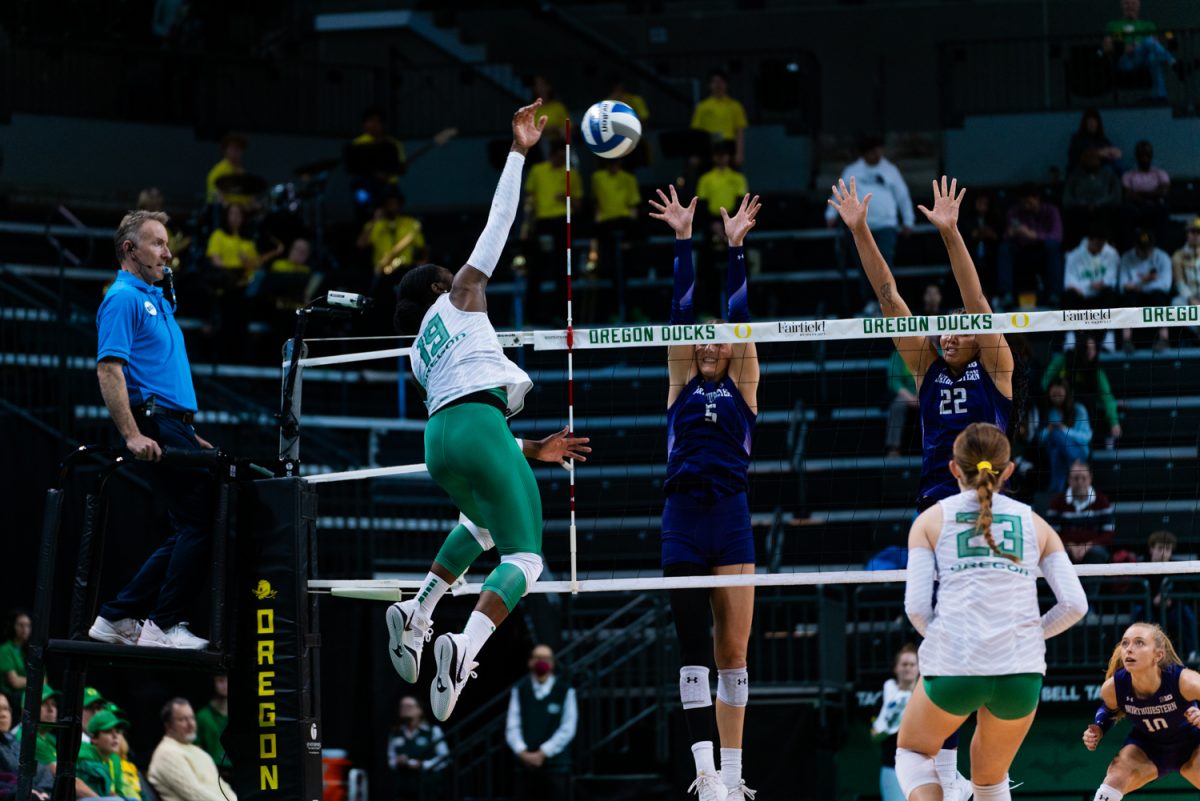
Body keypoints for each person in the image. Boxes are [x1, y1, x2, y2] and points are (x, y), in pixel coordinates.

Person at [382, 101, 592, 723]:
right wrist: (520, 151)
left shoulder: (418, 351)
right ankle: (462, 645)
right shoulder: (460, 296)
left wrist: (531, 450)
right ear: (434, 290)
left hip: (438, 441)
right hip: (476, 427)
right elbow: (498, 227)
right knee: (524, 559)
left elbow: (470, 419)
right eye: (447, 276)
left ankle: (419, 611)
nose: (460, 277)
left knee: (480, 523)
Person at [831, 176, 1015, 797]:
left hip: (988, 513)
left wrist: (950, 232)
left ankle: (984, 774)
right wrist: (859, 230)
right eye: (945, 328)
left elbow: (977, 299)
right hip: (936, 514)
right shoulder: (926, 367)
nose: (950, 331)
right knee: (940, 640)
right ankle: (945, 773)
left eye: (961, 326)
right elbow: (888, 297)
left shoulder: (997, 366)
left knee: (985, 641)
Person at [900, 423, 1088, 801]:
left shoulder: (930, 520)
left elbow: (916, 608)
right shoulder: (1036, 523)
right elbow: (1075, 605)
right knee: (990, 779)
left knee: (914, 752)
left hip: (956, 664)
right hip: (1020, 672)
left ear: (954, 468)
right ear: (1009, 470)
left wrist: (946, 640)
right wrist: (1032, 632)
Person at [648, 186, 760, 801]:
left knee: (733, 649)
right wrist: (684, 242)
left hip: (731, 515)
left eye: (719, 339)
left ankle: (736, 776)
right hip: (683, 515)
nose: (709, 343)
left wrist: (735, 248)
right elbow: (681, 313)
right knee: (693, 643)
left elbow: (741, 326)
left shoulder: (743, 382)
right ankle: (706, 774)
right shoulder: (680, 383)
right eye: (703, 340)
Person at [89, 210, 216, 650]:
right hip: (154, 422)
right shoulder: (123, 297)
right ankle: (162, 623)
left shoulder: (154, 296)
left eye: (167, 243)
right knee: (199, 522)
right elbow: (109, 369)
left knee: (194, 523)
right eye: (158, 243)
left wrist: (186, 429)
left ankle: (117, 615)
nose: (167, 252)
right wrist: (132, 434)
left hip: (173, 423)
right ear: (130, 250)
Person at [1082, 623, 1200, 801]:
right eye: (1125, 643)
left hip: (1193, 744)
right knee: (1115, 777)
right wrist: (1099, 727)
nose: (1129, 649)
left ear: (1158, 655)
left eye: (1139, 643)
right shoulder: (1114, 687)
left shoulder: (1184, 680)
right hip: (1148, 747)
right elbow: (1108, 710)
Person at [824, 137, 915, 315]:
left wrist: (908, 220)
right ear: (865, 153)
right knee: (864, 266)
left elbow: (902, 195)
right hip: (860, 226)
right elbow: (839, 192)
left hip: (886, 225)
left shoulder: (890, 170)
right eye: (874, 151)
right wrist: (830, 214)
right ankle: (870, 303)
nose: (878, 154)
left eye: (880, 150)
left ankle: (888, 303)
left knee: (884, 265)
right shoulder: (853, 170)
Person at [506, 645, 578, 801]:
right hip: (525, 767)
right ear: (530, 662)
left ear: (552, 663)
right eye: (537, 658)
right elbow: (512, 726)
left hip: (556, 767)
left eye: (545, 658)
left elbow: (568, 728)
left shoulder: (565, 691)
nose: (541, 662)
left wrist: (543, 753)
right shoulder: (520, 690)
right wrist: (523, 753)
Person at [520, 138, 581, 324]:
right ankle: (531, 316)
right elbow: (529, 201)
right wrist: (525, 227)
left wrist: (566, 198)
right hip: (542, 224)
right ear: (552, 154)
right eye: (559, 155)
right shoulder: (538, 171)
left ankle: (562, 316)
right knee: (536, 269)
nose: (562, 159)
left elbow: (578, 205)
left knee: (563, 271)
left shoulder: (572, 174)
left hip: (563, 223)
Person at [147, 698, 236, 801]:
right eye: (182, 719)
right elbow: (195, 795)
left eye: (192, 718)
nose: (190, 724)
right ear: (168, 726)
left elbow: (223, 787)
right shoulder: (166, 753)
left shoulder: (200, 753)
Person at [1043, 334, 1122, 447]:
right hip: (1061, 408)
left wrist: (1114, 422)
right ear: (1080, 348)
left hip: (1083, 413)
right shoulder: (1064, 361)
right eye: (1087, 348)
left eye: (1093, 348)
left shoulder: (1096, 370)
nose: (1091, 352)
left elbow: (1107, 397)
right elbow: (1045, 382)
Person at [997, 184, 1063, 307]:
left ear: (1037, 198)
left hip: (1042, 251)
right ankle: (1006, 294)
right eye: (1024, 202)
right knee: (1004, 248)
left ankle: (1055, 295)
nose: (1027, 205)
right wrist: (1011, 233)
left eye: (1029, 201)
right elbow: (1006, 236)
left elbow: (1057, 236)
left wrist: (1034, 235)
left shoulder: (1051, 211)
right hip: (1022, 251)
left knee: (1053, 247)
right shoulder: (1015, 211)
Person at [1103, 0, 1178, 99]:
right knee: (1149, 42)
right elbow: (1106, 48)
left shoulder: (1148, 25)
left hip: (1145, 60)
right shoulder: (1113, 25)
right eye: (1127, 3)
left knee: (1153, 56)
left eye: (1133, 3)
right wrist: (1126, 48)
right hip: (1125, 60)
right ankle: (1175, 64)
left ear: (1139, 5)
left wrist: (1141, 46)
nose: (1130, 6)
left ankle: (1160, 97)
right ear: (1122, 5)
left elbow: (1155, 46)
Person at [1063, 227, 1120, 352]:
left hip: (1101, 298)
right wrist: (1087, 286)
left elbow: (1111, 279)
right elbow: (1069, 282)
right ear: (1089, 241)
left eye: (1103, 244)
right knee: (1069, 295)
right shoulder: (1074, 255)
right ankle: (1070, 336)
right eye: (1097, 244)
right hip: (1082, 297)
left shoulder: (1112, 254)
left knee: (1110, 294)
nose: (1100, 248)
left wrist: (1101, 284)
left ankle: (1109, 337)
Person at [1046, 461, 1115, 565]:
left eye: (1083, 478)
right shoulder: (1057, 502)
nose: (1080, 482)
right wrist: (1070, 546)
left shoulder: (1102, 501)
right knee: (1059, 555)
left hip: (1094, 548)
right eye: (1076, 478)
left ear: (1090, 478)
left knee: (1097, 554)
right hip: (1066, 548)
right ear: (1069, 479)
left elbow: (1108, 533)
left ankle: (1091, 582)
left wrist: (1088, 545)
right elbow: (1052, 533)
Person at [874, 645, 920, 801]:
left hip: (923, 770)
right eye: (904, 664)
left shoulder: (928, 698)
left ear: (919, 668)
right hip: (892, 770)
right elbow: (874, 737)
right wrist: (891, 724)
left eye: (912, 664)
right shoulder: (884, 699)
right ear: (896, 668)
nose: (908, 668)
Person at [1119, 229, 1172, 353]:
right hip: (1135, 296)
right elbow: (1122, 285)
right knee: (1129, 297)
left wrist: (1140, 284)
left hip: (1154, 295)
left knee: (1159, 296)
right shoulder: (1127, 257)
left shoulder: (1162, 257)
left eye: (1148, 248)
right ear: (1136, 246)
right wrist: (1148, 280)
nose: (1145, 252)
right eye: (1142, 248)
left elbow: (1166, 285)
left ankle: (1164, 339)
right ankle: (1126, 340)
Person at [388, 696, 448, 801]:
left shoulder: (432, 731)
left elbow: (444, 758)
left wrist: (423, 765)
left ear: (420, 710)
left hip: (427, 787)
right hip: (403, 787)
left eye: (409, 706)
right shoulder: (396, 733)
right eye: (402, 706)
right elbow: (391, 758)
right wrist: (397, 761)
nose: (404, 709)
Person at [1039, 379, 1093, 494]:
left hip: (1079, 451)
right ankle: (1074, 464)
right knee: (1055, 446)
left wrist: (1064, 430)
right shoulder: (1049, 412)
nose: (1056, 397)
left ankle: (1055, 490)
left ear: (1066, 393)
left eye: (1059, 394)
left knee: (1056, 444)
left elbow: (1086, 437)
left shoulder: (1079, 410)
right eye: (1053, 394)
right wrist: (1049, 430)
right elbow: (1040, 439)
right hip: (1055, 451)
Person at [0, 692, 54, 799]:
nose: (3, 714)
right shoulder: (25, 739)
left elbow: (43, 773)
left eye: (6, 709)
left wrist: (40, 792)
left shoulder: (15, 743)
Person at [1063, 148, 1121, 246]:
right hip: (1080, 209)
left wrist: (1098, 204)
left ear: (1099, 159)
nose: (1091, 160)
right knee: (1075, 216)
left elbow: (1116, 197)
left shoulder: (1109, 175)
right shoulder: (1074, 176)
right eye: (1087, 158)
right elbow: (1067, 199)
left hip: (1104, 209)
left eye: (1094, 158)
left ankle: (1105, 247)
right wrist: (1084, 204)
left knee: (1107, 214)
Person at [691, 70, 748, 167]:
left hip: (728, 146)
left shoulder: (735, 106)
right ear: (709, 85)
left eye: (721, 82)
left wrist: (739, 153)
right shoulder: (702, 106)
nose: (718, 85)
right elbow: (696, 131)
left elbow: (739, 131)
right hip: (707, 147)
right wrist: (695, 154)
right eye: (714, 82)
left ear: (726, 84)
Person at [1121, 140, 1170, 243]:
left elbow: (1163, 192)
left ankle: (1161, 247)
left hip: (1155, 206)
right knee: (1126, 211)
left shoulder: (1160, 173)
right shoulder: (1128, 175)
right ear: (1136, 156)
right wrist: (1150, 196)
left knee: (1162, 209)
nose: (1144, 157)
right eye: (1141, 154)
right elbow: (1128, 195)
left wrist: (1139, 193)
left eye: (1147, 154)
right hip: (1136, 208)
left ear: (1151, 155)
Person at [77, 708, 133, 799]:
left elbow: (115, 792)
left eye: (118, 732)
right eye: (108, 731)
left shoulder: (114, 759)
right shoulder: (84, 757)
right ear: (94, 739)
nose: (115, 736)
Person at [885, 350, 918, 458]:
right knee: (897, 406)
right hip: (906, 394)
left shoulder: (934, 351)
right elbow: (894, 381)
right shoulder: (897, 355)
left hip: (928, 392)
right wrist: (910, 398)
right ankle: (894, 449)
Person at [1067, 109, 1122, 174]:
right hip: (1083, 170)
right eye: (1090, 122)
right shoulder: (1077, 139)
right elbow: (1080, 156)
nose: (1092, 125)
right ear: (1085, 124)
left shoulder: (1103, 139)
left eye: (1094, 122)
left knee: (1117, 164)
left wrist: (1115, 152)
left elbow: (1112, 150)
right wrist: (1099, 153)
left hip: (1101, 169)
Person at [204, 133, 251, 207]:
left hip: (242, 215)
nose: (236, 152)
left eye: (239, 148)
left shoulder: (242, 172)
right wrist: (233, 209)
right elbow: (217, 198)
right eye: (233, 148)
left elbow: (250, 200)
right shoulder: (218, 171)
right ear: (225, 150)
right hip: (223, 214)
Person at [194, 674, 228, 773]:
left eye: (228, 681)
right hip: (212, 771)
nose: (225, 685)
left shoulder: (242, 715)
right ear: (213, 683)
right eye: (221, 681)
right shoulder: (202, 716)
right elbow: (197, 747)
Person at [0, 611, 30, 711]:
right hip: (11, 698)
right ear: (12, 626)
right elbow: (14, 682)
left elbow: (44, 681)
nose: (24, 629)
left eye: (27, 625)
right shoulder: (5, 650)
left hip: (29, 696)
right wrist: (36, 681)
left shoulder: (32, 651)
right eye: (20, 625)